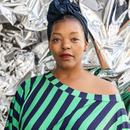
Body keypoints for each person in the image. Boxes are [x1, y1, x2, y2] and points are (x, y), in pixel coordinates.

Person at [4, 0, 130, 129]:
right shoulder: (29, 89)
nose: (65, 45)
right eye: (57, 39)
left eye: (74, 39)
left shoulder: (108, 95)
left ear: (85, 44)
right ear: (49, 44)